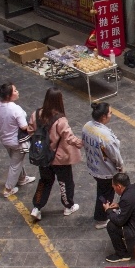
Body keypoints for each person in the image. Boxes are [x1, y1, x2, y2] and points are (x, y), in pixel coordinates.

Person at [28, 88, 82, 220]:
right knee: (65, 182)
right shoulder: (60, 120)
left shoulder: (35, 114)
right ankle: (68, 206)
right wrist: (81, 142)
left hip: (43, 156)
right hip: (59, 158)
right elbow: (69, 137)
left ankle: (37, 207)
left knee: (45, 181)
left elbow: (30, 131)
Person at [0, 82, 36, 198]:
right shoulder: (15, 109)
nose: (17, 92)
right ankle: (8, 188)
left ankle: (22, 178)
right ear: (9, 95)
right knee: (15, 165)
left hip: (5, 139)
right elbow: (24, 127)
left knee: (16, 161)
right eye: (15, 91)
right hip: (16, 142)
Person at [82, 102, 124, 229]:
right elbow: (115, 156)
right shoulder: (105, 137)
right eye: (110, 113)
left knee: (101, 191)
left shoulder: (87, 126)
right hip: (105, 171)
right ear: (104, 117)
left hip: (93, 165)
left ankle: (102, 213)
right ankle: (102, 217)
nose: (111, 115)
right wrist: (120, 167)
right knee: (106, 194)